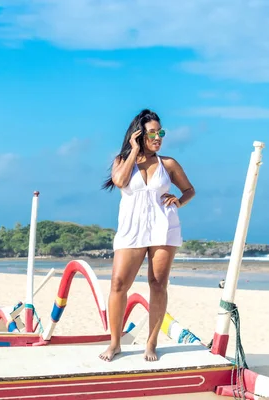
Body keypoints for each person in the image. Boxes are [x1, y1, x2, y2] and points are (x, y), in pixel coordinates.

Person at [99, 109, 195, 362]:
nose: (158, 137)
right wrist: (132, 151)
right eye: (152, 132)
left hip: (164, 228)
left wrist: (179, 201)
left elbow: (189, 190)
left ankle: (151, 344)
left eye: (160, 132)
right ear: (138, 135)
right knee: (119, 284)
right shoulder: (122, 160)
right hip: (131, 230)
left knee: (158, 284)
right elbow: (119, 181)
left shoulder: (169, 164)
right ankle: (115, 343)